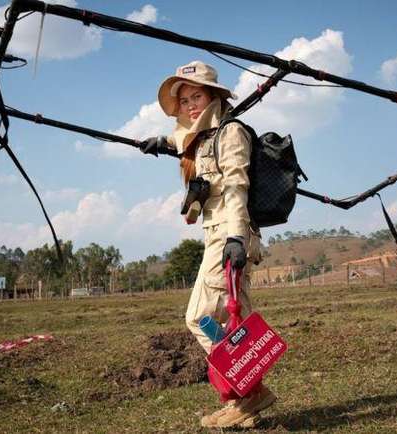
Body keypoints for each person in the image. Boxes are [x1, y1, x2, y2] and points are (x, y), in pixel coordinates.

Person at [140, 60, 276, 428]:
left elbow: (235, 186)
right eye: (183, 101)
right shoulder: (202, 137)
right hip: (220, 234)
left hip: (228, 235)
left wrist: (234, 236)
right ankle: (248, 396)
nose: (190, 106)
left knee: (200, 317)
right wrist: (161, 142)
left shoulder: (230, 134)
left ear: (213, 95)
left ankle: (246, 390)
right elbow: (183, 136)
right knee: (238, 325)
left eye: (196, 96)